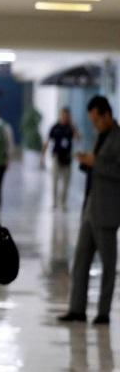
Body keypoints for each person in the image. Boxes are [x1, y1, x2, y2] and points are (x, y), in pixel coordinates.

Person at [58, 96, 120, 326]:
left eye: (96, 120)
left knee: (108, 265)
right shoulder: (100, 137)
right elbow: (98, 168)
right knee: (81, 260)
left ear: (107, 115)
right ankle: (77, 309)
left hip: (108, 210)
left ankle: (103, 313)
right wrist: (86, 162)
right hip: (91, 206)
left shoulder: (118, 138)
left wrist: (96, 163)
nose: (95, 125)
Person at [42, 107, 80, 210]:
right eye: (63, 115)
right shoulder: (55, 127)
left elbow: (78, 138)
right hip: (56, 157)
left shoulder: (71, 127)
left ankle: (63, 203)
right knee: (54, 180)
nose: (65, 118)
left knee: (66, 182)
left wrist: (74, 128)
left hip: (67, 157)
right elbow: (47, 141)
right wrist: (43, 156)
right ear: (60, 116)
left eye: (67, 116)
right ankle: (54, 202)